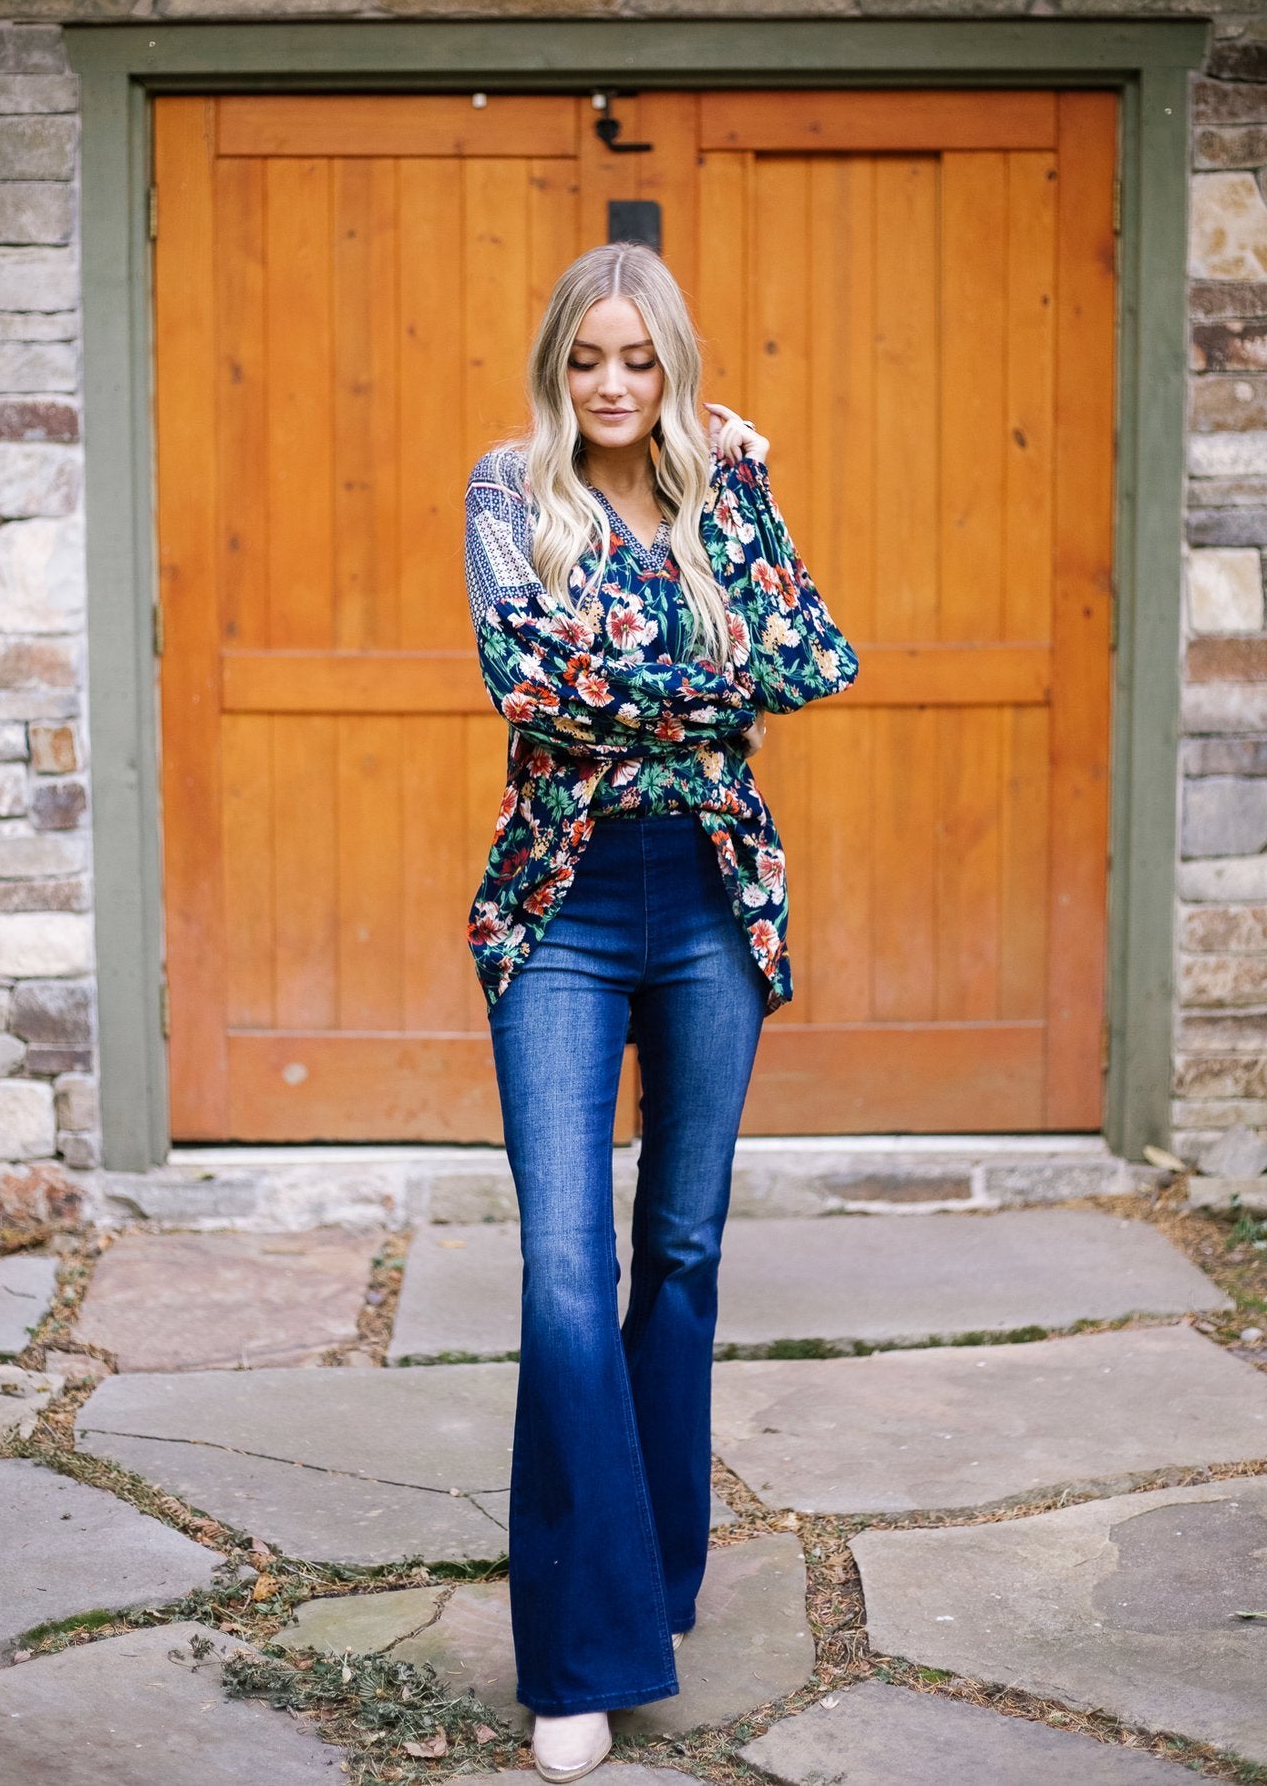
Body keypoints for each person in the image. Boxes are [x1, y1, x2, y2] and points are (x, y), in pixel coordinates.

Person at [461, 241, 857, 1783]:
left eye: (641, 361)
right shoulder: (508, 492)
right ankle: (583, 1658)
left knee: (678, 1252)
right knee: (565, 1269)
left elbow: (814, 657)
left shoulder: (724, 490)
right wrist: (709, 678)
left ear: (672, 366)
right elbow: (532, 683)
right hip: (558, 905)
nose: (614, 387)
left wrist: (739, 506)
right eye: (588, 360)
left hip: (709, 900)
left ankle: (659, 1589)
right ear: (556, 365)